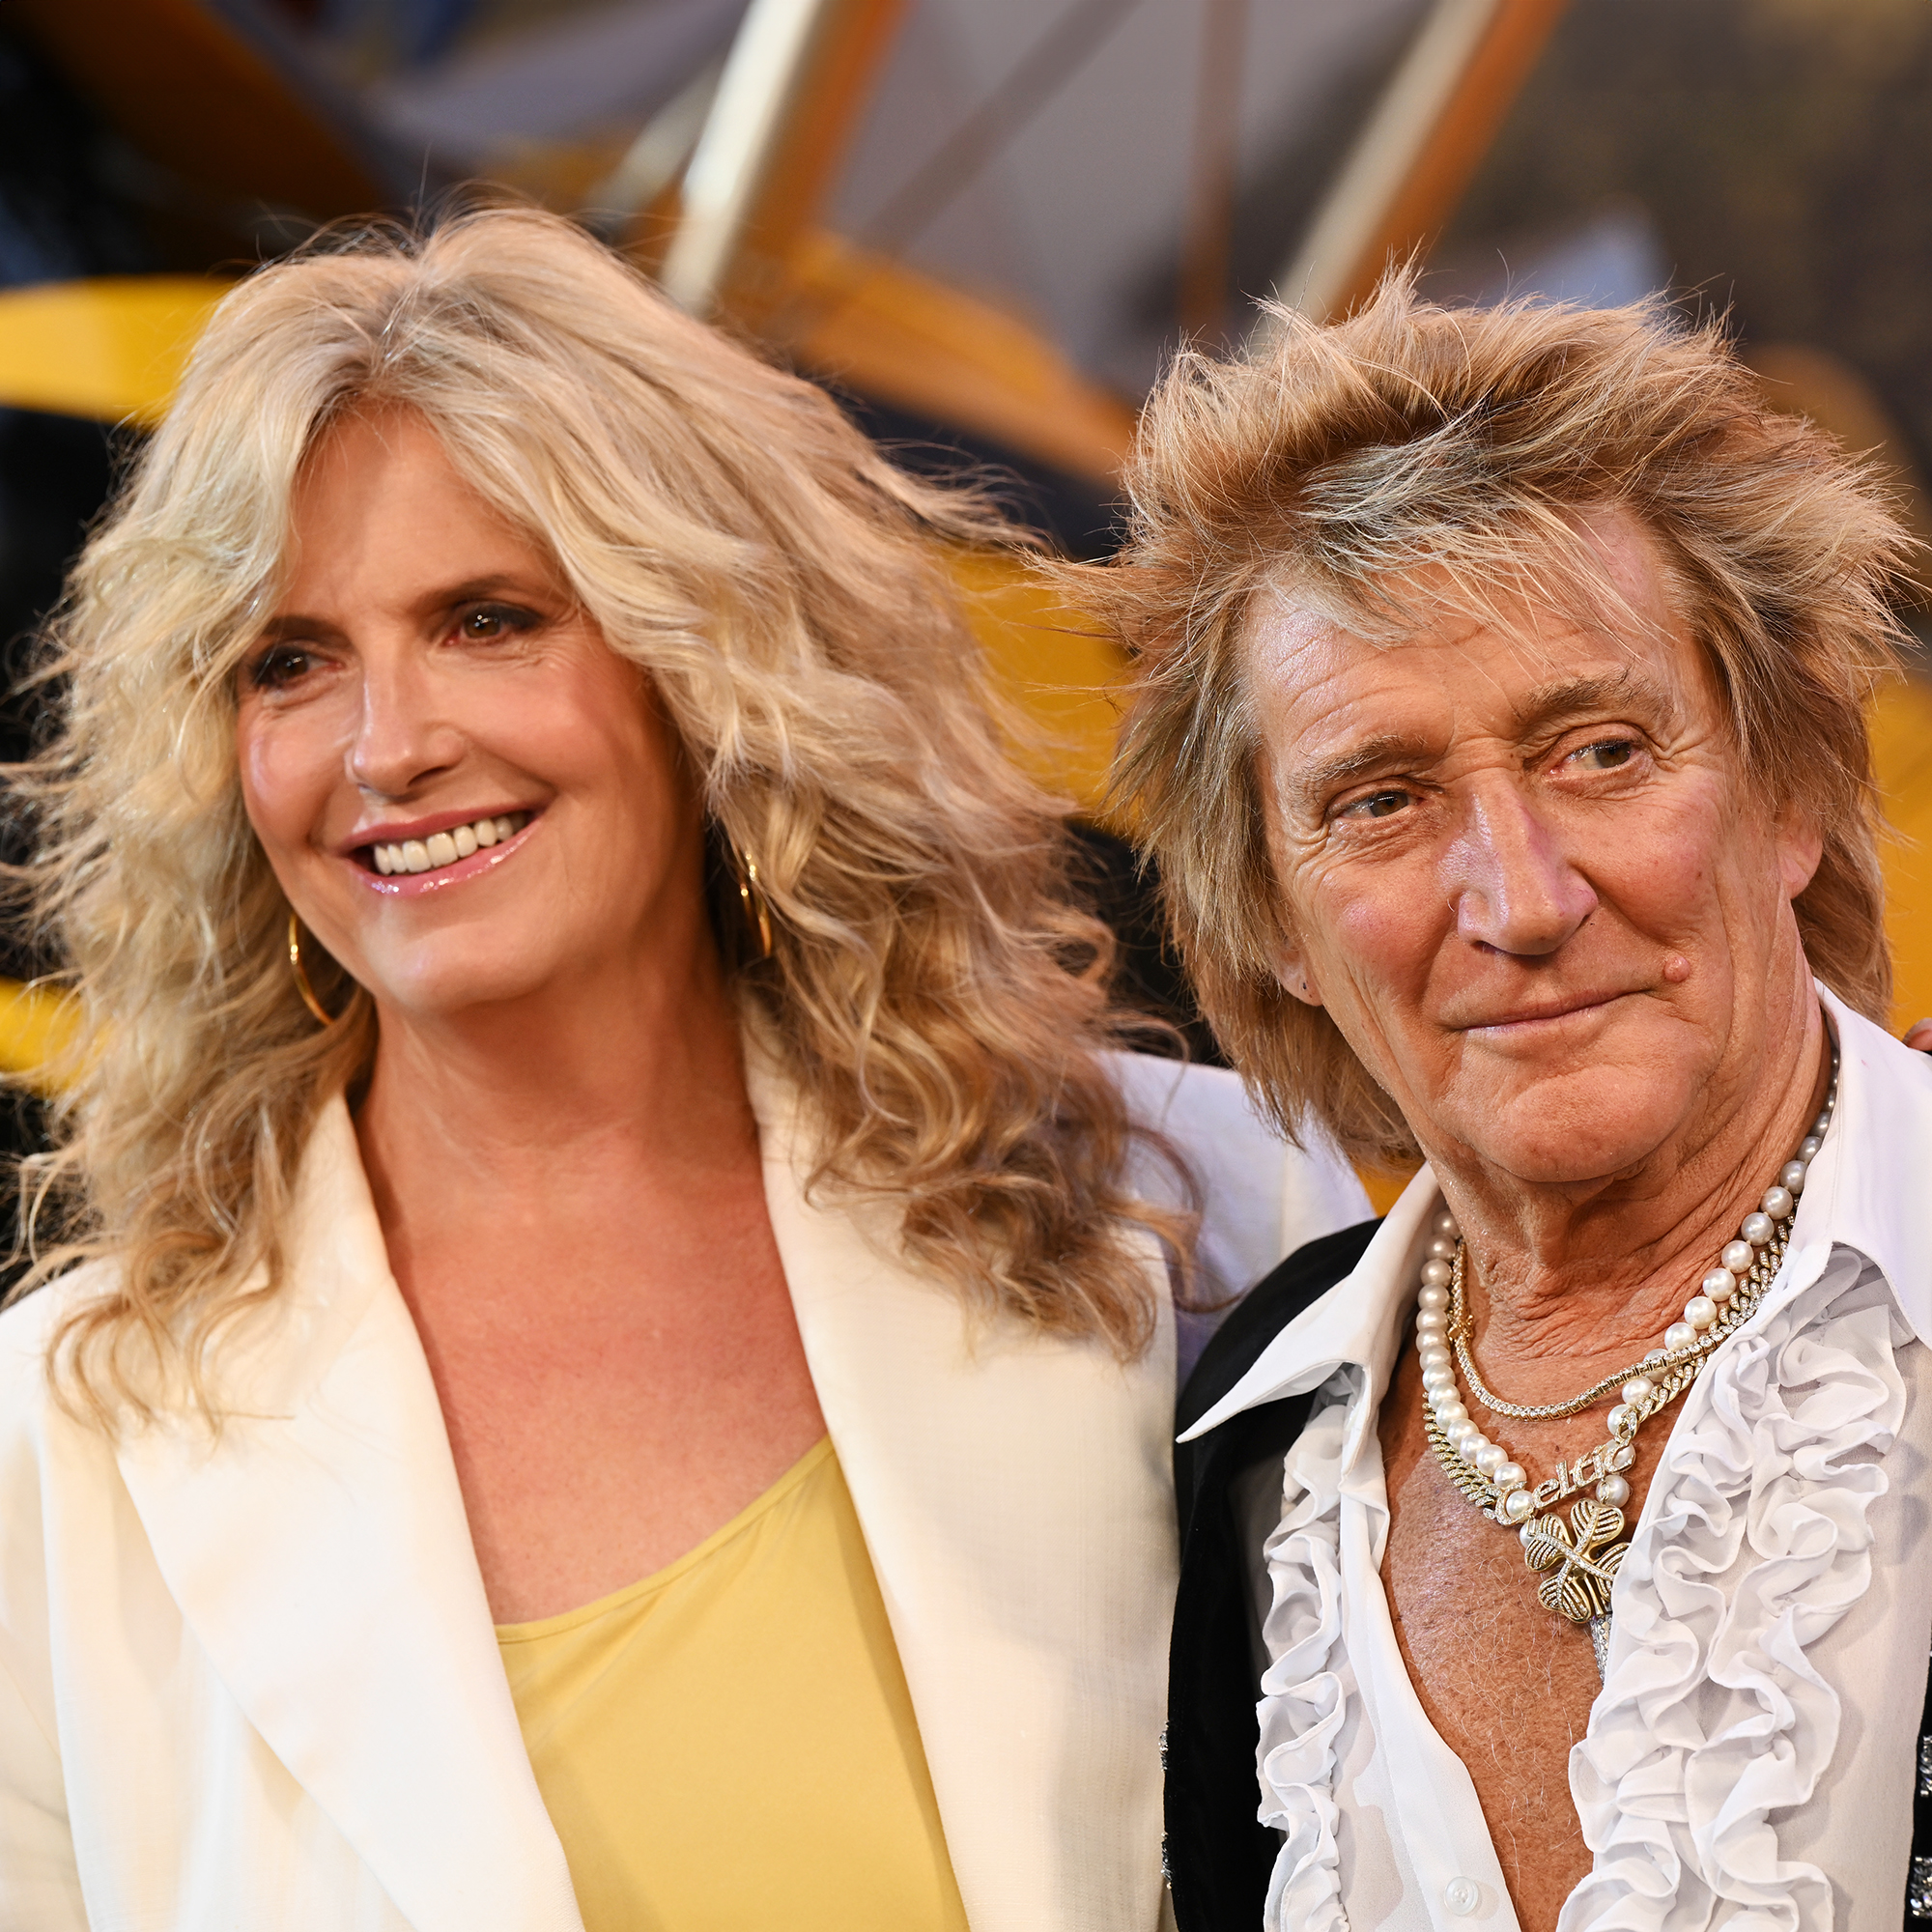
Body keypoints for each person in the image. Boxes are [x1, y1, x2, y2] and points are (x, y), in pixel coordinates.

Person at [0, 209, 1368, 1932]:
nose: (391, 745)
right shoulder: (70, 1429)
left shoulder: (1193, 1201)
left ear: (701, 663)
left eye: (489, 620)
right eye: (291, 661)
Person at [1071, 275, 1932, 1932]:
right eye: (1381, 802)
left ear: (1792, 796)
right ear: (1274, 926)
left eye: (1601, 752)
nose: (1522, 898)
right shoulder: (1250, 1436)